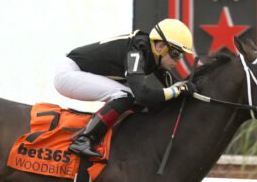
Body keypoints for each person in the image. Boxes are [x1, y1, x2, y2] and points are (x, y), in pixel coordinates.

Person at [53, 18, 196, 158]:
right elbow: (143, 94)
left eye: (181, 56)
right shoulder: (136, 53)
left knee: (134, 99)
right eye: (175, 54)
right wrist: (176, 91)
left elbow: (173, 86)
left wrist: (185, 89)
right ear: (160, 47)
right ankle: (84, 140)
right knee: (126, 95)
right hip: (69, 73)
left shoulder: (151, 52)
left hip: (77, 70)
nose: (177, 61)